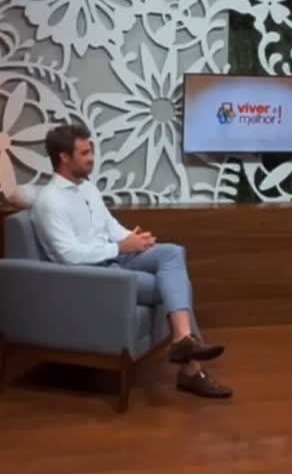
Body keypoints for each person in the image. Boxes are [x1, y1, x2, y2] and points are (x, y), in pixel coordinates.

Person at [31, 123, 232, 399]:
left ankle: (182, 339)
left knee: (172, 253)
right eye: (84, 153)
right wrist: (119, 247)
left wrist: (133, 240)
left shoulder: (86, 188)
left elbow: (109, 226)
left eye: (91, 151)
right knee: (172, 286)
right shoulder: (49, 202)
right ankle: (190, 368)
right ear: (64, 158)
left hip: (113, 258)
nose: (92, 158)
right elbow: (69, 256)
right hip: (90, 275)